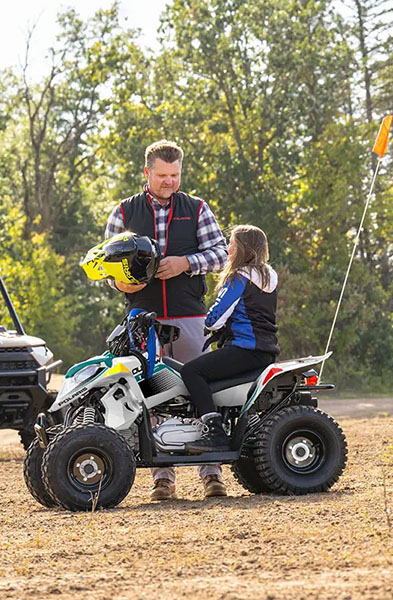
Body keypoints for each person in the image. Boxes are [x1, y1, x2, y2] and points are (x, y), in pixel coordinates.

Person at [104, 139, 228, 500]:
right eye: (162, 175)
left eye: (175, 175)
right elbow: (105, 265)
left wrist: (186, 263)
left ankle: (212, 475)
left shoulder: (198, 208)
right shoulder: (124, 213)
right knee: (152, 396)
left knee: (204, 392)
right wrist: (117, 281)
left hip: (191, 316)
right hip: (142, 318)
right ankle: (163, 479)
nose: (169, 182)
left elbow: (221, 254)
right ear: (147, 173)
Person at [180, 225, 279, 453]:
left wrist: (207, 322)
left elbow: (214, 319)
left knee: (191, 372)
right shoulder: (269, 275)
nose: (228, 248)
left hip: (244, 350)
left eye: (232, 244)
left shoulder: (238, 277)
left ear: (243, 248)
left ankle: (215, 433)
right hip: (266, 351)